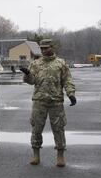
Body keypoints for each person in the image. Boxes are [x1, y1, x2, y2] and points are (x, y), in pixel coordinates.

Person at [20, 39, 76, 168]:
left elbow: (67, 80)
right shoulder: (35, 64)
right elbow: (31, 81)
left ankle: (60, 155)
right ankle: (36, 154)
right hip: (39, 101)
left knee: (59, 128)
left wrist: (71, 93)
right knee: (36, 128)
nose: (44, 50)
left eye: (46, 48)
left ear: (52, 47)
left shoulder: (61, 63)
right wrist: (27, 74)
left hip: (56, 101)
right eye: (42, 48)